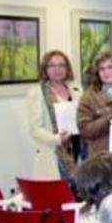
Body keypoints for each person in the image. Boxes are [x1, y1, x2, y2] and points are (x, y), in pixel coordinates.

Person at [27, 50, 82, 181]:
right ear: (45, 69)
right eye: (52, 65)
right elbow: (35, 129)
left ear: (67, 68)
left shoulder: (76, 88)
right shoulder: (36, 93)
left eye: (61, 65)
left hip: (78, 147)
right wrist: (57, 139)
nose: (57, 69)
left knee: (79, 193)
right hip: (54, 151)